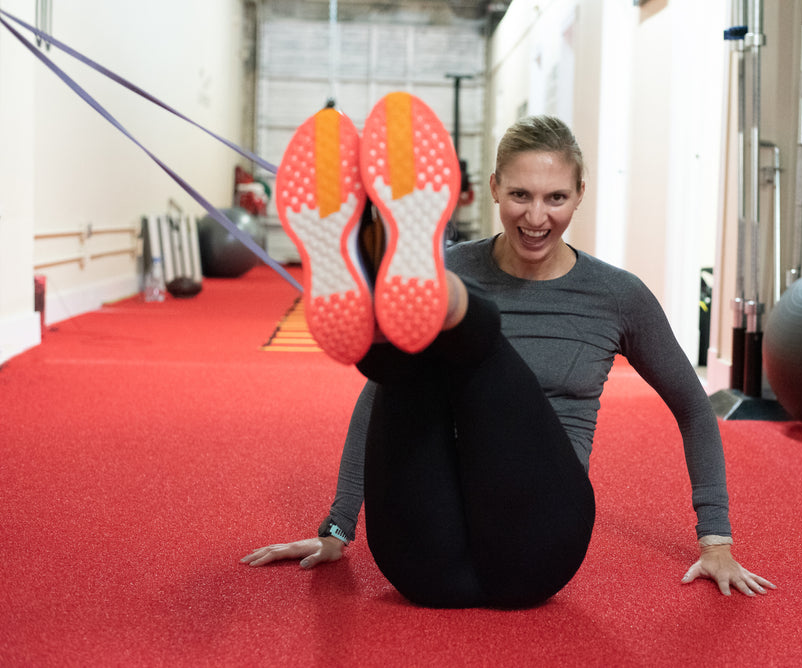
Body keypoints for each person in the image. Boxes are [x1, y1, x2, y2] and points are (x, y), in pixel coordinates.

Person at [242, 93, 775, 607]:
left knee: (474, 341)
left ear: (580, 194)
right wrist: (337, 527)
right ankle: (373, 286)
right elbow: (377, 403)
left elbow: (694, 409)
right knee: (405, 367)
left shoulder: (617, 295)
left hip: (538, 544)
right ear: (494, 188)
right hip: (424, 562)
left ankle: (421, 285)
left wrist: (716, 540)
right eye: (520, 195)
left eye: (555, 198)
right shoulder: (450, 268)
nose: (536, 217)